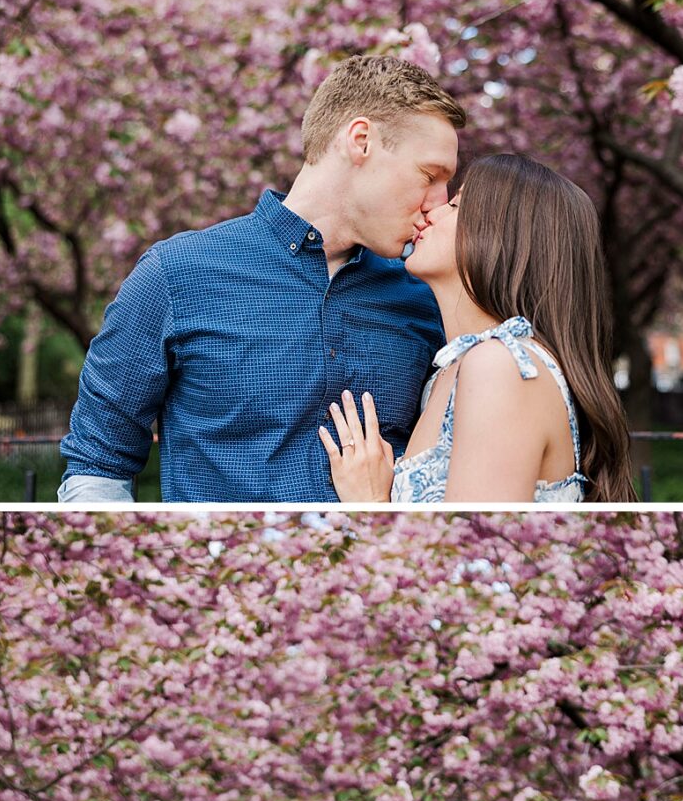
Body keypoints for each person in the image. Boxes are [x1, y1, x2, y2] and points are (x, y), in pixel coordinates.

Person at [60, 56, 462, 503]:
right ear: (361, 140)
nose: (438, 203)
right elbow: (98, 468)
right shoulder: (177, 275)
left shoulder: (426, 297)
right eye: (430, 176)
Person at [320, 152, 635, 505]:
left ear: (503, 237)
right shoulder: (451, 373)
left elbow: (474, 538)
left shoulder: (502, 366)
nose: (432, 212)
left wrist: (371, 503)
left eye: (454, 206)